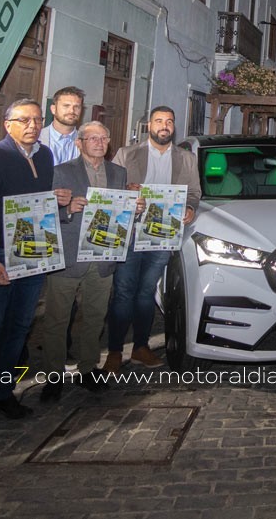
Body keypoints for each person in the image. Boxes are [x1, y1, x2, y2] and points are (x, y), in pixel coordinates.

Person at [0, 98, 56, 431]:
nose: (32, 125)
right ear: (8, 124)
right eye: (24, 120)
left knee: (18, 329)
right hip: (0, 255)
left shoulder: (45, 156)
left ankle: (3, 393)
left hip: (32, 256)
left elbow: (39, 204)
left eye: (36, 119)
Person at [41, 122, 136, 401]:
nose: (98, 142)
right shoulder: (61, 171)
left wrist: (134, 206)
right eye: (91, 138)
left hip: (103, 256)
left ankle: (87, 368)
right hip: (69, 256)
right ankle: (53, 375)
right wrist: (67, 209)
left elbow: (121, 213)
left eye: (103, 137)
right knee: (57, 318)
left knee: (95, 316)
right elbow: (44, 215)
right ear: (79, 143)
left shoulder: (119, 173)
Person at [105, 106, 201, 372]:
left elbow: (194, 192)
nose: (164, 126)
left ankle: (140, 347)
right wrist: (125, 190)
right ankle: (114, 350)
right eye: (159, 121)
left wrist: (191, 208)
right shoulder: (127, 154)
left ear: (174, 127)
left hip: (163, 234)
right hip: (132, 232)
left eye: (169, 121)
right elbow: (109, 189)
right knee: (124, 291)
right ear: (149, 125)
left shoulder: (187, 159)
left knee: (147, 292)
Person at [38, 86, 85, 165]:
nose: (71, 111)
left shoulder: (87, 142)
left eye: (77, 107)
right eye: (66, 106)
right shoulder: (36, 139)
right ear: (53, 109)